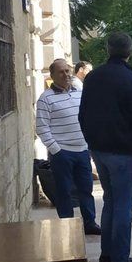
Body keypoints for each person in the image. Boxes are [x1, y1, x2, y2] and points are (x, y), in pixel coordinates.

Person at [78, 33, 132, 262]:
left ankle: (108, 254)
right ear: (129, 50)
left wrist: (92, 141)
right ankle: (121, 261)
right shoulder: (130, 79)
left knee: (110, 201)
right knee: (123, 205)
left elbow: (83, 114)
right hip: (121, 150)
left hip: (98, 149)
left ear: (108, 50)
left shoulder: (92, 77)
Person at [35, 59, 101, 235]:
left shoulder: (80, 93)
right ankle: (67, 226)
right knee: (64, 192)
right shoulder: (45, 98)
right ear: (53, 75)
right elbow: (42, 128)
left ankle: (90, 223)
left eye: (67, 70)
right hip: (62, 153)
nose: (66, 75)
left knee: (86, 190)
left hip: (82, 150)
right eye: (61, 72)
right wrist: (57, 150)